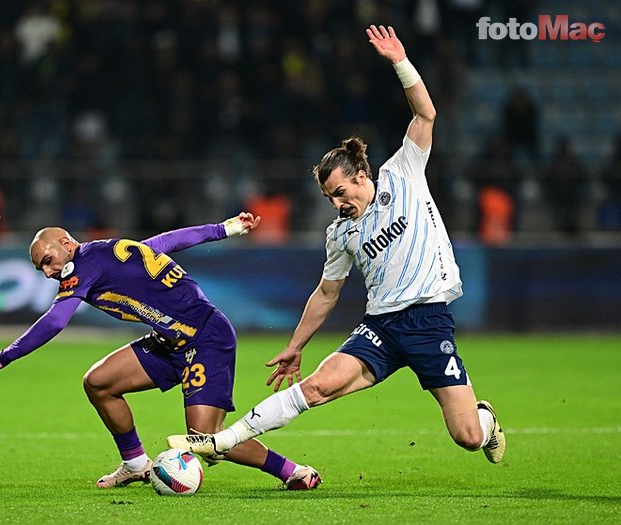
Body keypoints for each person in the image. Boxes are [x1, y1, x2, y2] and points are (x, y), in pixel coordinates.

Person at [168, 25, 506, 475]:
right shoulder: (340, 234)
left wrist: (399, 63)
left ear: (362, 174)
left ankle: (487, 421)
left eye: (341, 192)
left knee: (467, 438)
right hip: (381, 327)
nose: (337, 203)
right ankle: (221, 441)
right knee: (316, 387)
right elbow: (326, 294)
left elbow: (425, 116)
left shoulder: (403, 173)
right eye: (329, 197)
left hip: (428, 319)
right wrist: (295, 345)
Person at [0, 213, 322, 490]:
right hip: (168, 342)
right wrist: (223, 228)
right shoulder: (108, 251)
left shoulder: (83, 266)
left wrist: (4, 356)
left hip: (204, 338)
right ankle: (135, 464)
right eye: (40, 268)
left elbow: (55, 322)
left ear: (67, 244)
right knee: (99, 382)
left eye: (48, 260)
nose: (48, 272)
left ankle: (293, 472)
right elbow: (166, 242)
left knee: (207, 439)